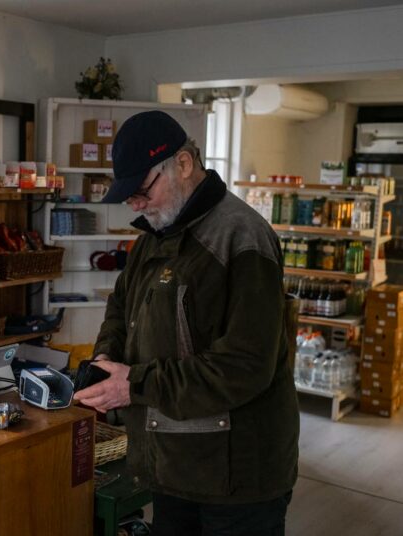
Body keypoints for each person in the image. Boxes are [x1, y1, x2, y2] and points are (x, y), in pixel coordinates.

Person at [74, 111, 299, 535]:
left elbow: (246, 367)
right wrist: (108, 354)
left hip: (237, 479)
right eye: (129, 197)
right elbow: (120, 308)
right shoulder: (152, 240)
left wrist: (134, 384)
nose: (136, 205)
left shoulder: (243, 239)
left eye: (141, 191)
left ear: (182, 164)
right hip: (172, 465)